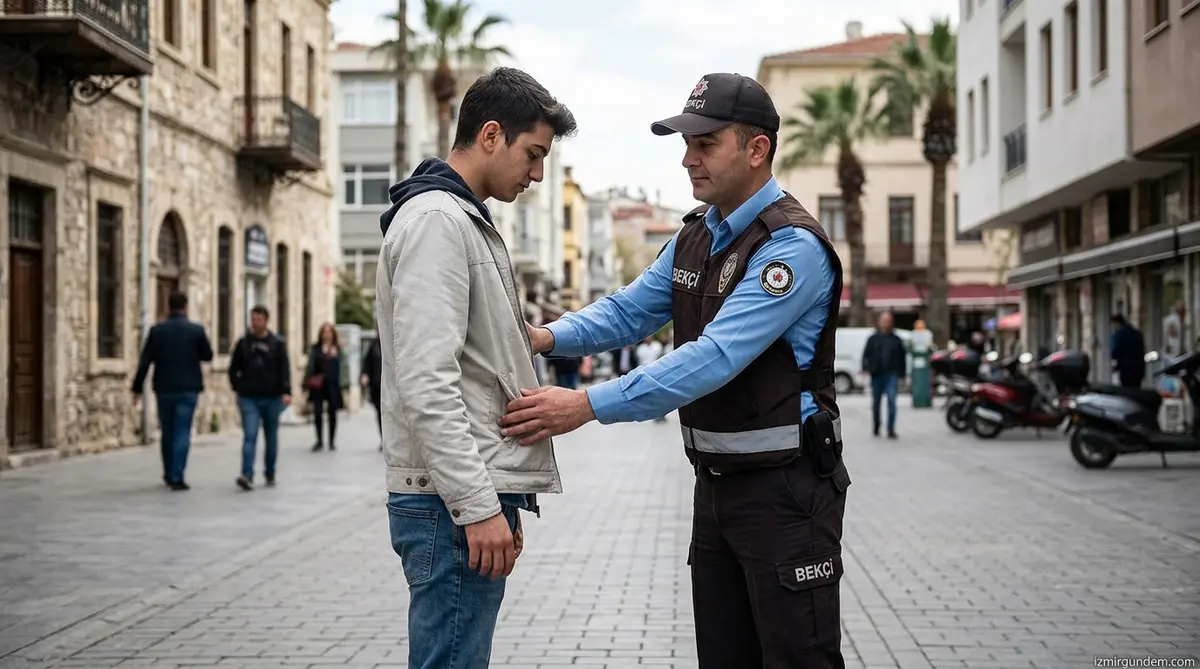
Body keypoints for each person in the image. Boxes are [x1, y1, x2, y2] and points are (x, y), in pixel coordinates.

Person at [499, 72, 850, 669]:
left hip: (786, 493)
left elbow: (712, 359)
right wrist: (544, 336)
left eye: (705, 143)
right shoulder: (697, 235)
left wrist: (585, 405)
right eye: (685, 144)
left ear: (757, 149)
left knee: (797, 658)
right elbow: (628, 312)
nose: (688, 159)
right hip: (715, 487)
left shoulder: (790, 248)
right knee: (724, 656)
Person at [375, 66, 576, 669]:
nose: (538, 173)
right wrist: (477, 505)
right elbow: (427, 381)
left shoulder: (458, 218)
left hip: (459, 496)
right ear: (491, 135)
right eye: (533, 153)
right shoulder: (439, 222)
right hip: (448, 504)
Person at [131, 292, 214, 491]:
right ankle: (177, 475)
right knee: (182, 432)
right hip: (188, 388)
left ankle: (169, 472)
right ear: (185, 307)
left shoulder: (157, 331)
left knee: (167, 432)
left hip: (164, 388)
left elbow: (145, 361)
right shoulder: (196, 330)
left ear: (169, 307)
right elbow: (208, 356)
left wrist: (137, 388)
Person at [228, 305, 292, 490]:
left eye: (258, 319)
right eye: (252, 319)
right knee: (250, 435)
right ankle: (247, 474)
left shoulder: (277, 344)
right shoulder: (244, 344)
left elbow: (284, 370)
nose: (254, 323)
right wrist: (238, 387)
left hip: (272, 397)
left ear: (266, 320)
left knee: (271, 436)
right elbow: (234, 368)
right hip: (249, 397)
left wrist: (286, 391)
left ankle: (270, 471)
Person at [862, 312, 907, 439]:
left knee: (892, 401)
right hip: (877, 374)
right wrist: (866, 368)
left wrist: (902, 374)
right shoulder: (873, 338)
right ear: (879, 322)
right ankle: (876, 425)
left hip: (891, 374)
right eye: (884, 320)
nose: (886, 323)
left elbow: (902, 357)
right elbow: (866, 354)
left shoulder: (896, 340)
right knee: (876, 402)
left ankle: (891, 428)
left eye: (888, 320)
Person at [304, 322, 345, 452]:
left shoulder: (337, 349)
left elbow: (344, 367)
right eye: (324, 332)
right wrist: (306, 381)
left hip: (333, 385)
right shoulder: (315, 348)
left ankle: (332, 441)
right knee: (317, 412)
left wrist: (344, 384)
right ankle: (319, 440)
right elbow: (310, 366)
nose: (326, 335)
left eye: (329, 332)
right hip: (318, 385)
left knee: (332, 412)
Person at [360, 332, 383, 450]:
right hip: (377, 385)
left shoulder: (397, 343)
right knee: (380, 412)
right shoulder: (374, 345)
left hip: (393, 386)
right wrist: (365, 375)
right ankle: (384, 439)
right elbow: (367, 362)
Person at [1110, 314, 1146, 387]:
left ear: (1116, 323)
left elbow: (1115, 352)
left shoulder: (1119, 335)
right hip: (1139, 369)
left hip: (1126, 370)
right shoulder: (1137, 334)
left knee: (1127, 391)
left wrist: (1116, 365)